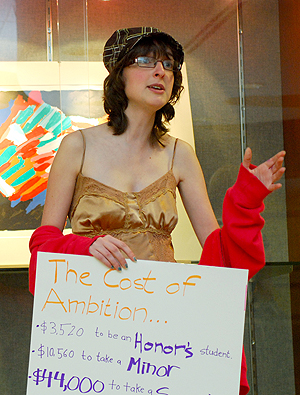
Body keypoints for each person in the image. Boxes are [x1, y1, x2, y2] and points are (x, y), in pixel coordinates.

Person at [28, 27, 286, 395]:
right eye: (146, 61)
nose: (161, 71)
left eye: (168, 64)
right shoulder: (77, 146)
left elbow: (221, 256)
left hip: (161, 332)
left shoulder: (180, 153)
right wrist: (83, 247)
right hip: (92, 329)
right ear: (119, 73)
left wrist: (246, 202)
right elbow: (43, 249)